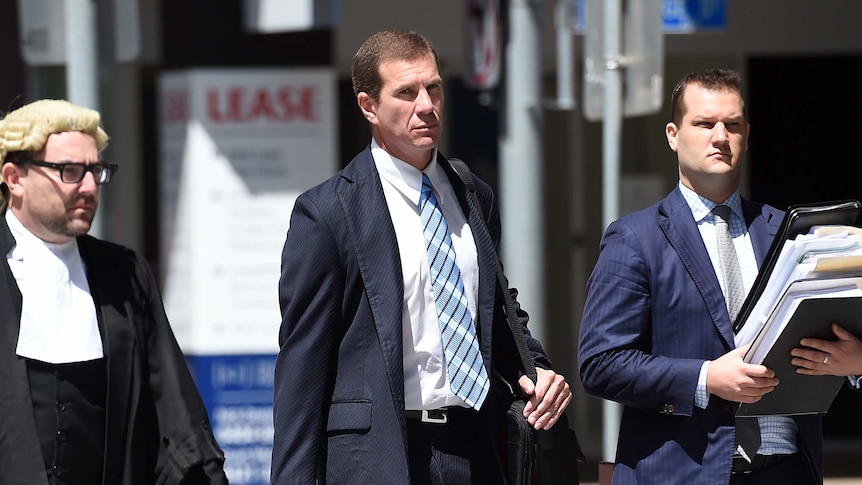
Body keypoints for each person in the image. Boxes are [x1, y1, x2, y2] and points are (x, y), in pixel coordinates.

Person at [271, 30, 572, 485]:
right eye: (406, 93)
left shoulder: (473, 195)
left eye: (433, 88)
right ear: (369, 106)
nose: (427, 106)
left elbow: (494, 311)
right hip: (380, 456)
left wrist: (541, 371)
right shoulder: (328, 213)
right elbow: (302, 368)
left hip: (476, 448)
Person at [578, 69, 823, 484]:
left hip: (788, 469)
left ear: (746, 133)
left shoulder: (786, 233)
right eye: (704, 123)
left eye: (731, 125)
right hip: (683, 472)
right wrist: (706, 378)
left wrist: (852, 363)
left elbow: (819, 333)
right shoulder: (635, 238)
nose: (720, 136)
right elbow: (601, 363)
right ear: (673, 135)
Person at [0, 99, 227, 484]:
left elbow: (173, 413)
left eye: (96, 171)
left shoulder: (123, 274)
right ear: (14, 177)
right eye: (69, 171)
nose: (89, 186)